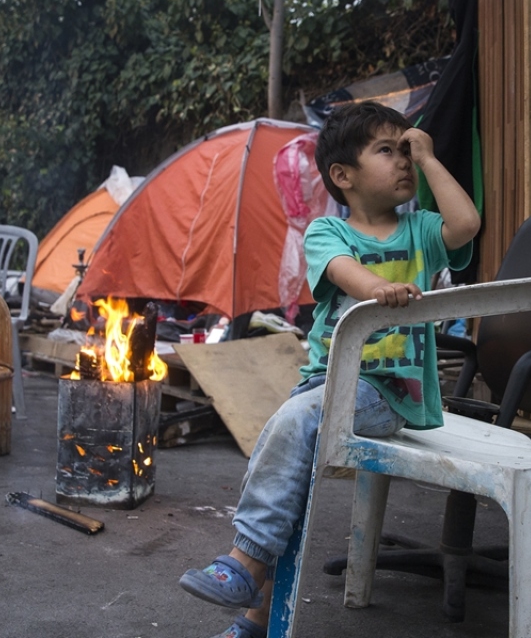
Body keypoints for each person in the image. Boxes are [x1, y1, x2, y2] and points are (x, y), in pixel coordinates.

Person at [178, 102, 480, 638]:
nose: (403, 160)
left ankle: (245, 562)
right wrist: (378, 288)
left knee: (291, 429)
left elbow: (466, 225)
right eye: (387, 150)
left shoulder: (421, 232)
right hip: (325, 384)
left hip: (388, 392)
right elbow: (346, 274)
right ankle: (257, 615)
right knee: (281, 464)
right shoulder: (326, 233)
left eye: (406, 150)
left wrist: (429, 158)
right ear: (343, 175)